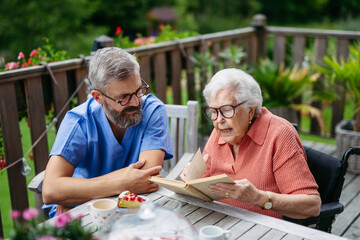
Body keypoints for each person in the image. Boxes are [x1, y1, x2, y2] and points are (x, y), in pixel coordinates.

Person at [42, 47, 173, 217]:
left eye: (138, 90)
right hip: (84, 212)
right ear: (98, 97)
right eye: (124, 97)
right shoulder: (79, 121)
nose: (135, 102)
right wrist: (124, 183)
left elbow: (147, 177)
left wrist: (74, 192)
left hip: (130, 209)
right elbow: (50, 191)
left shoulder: (153, 110)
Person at [181, 68, 321, 219]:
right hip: (220, 221)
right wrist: (194, 179)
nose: (219, 120)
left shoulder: (279, 134)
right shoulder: (220, 131)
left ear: (251, 111)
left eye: (227, 110)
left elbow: (312, 205)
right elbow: (206, 186)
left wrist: (259, 198)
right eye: (213, 111)